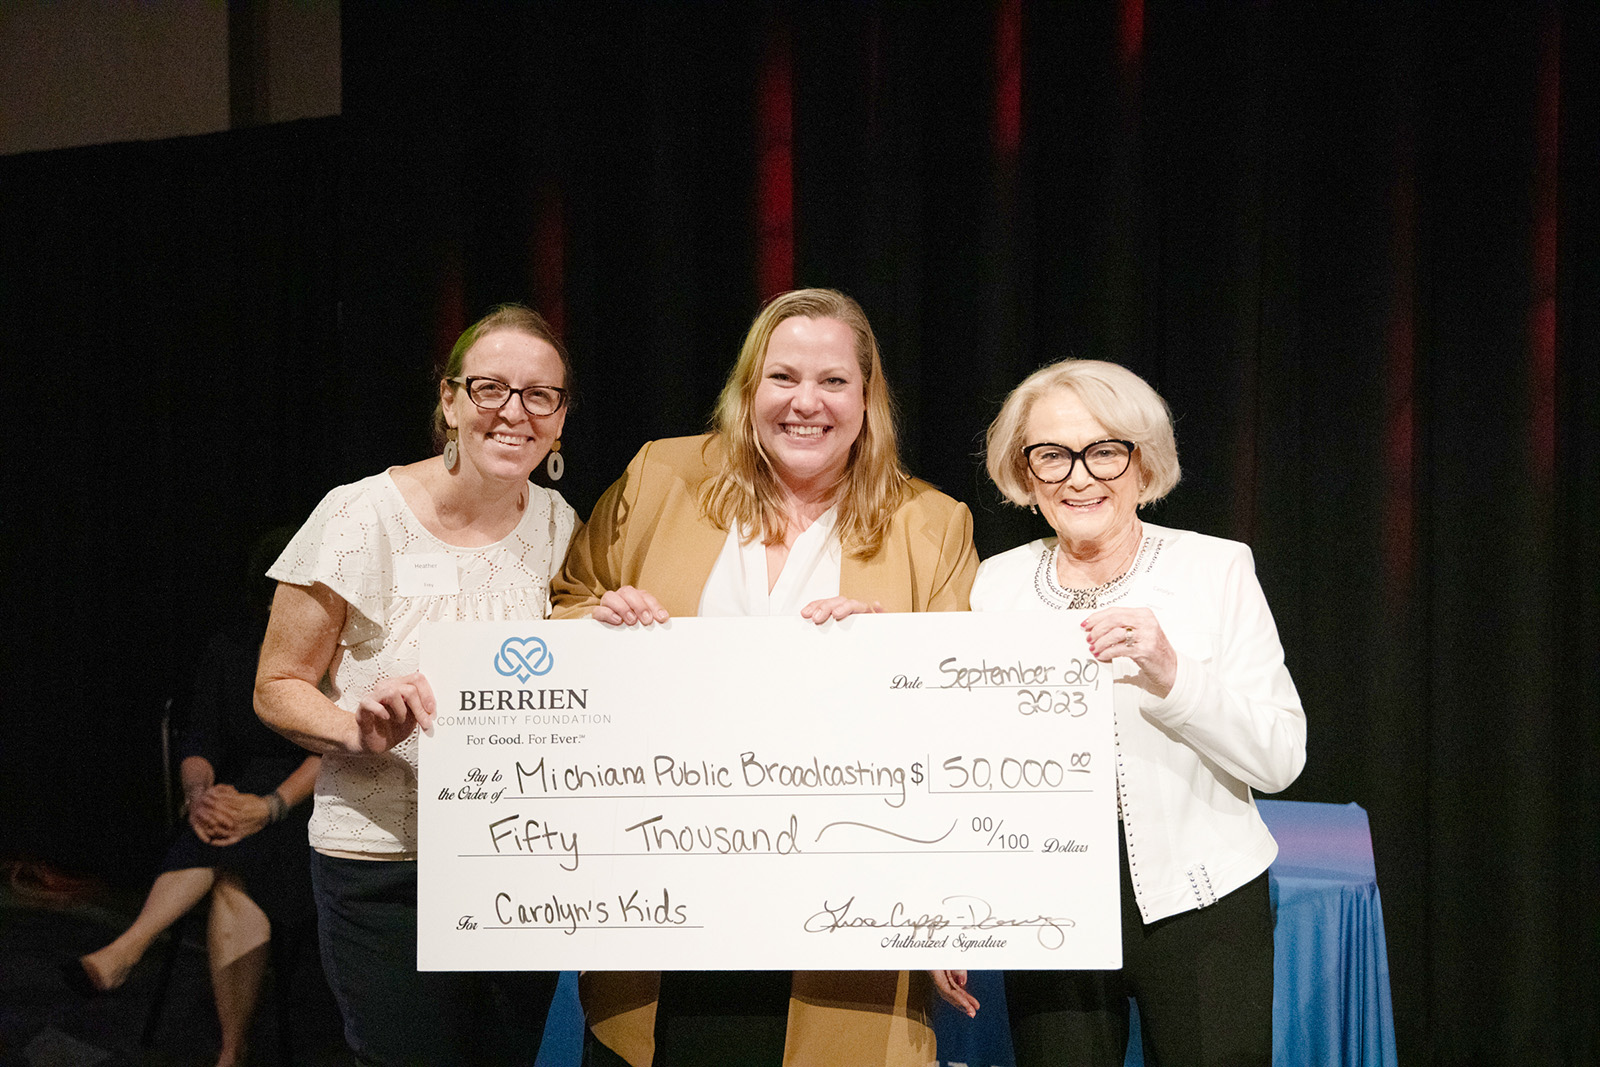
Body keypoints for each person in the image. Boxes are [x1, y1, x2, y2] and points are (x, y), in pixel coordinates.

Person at [552, 288, 980, 1067]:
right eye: (782, 377)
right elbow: (565, 605)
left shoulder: (932, 522)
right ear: (749, 389)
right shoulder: (661, 475)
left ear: (867, 397)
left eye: (833, 382)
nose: (805, 403)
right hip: (665, 896)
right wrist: (601, 625)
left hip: (841, 921)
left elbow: (962, 717)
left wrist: (897, 666)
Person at [954, 358, 1305, 1067]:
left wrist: (1173, 674)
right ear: (1025, 475)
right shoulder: (995, 585)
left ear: (1143, 465)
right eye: (1051, 454)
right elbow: (966, 764)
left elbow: (1279, 757)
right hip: (1050, 902)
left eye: (1105, 450)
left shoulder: (1216, 569)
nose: (1079, 475)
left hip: (1204, 901)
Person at [253, 305, 578, 1066]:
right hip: (385, 870)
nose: (513, 411)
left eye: (540, 395)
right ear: (450, 400)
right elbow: (275, 683)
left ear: (560, 419)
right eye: (490, 387)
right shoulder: (360, 515)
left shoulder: (562, 523)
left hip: (517, 865)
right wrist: (350, 728)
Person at [71, 529, 319, 1067]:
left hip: (315, 801)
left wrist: (270, 807)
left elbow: (336, 753)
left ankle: (128, 951)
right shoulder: (231, 649)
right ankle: (231, 1051)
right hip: (243, 788)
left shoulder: (334, 653)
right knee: (223, 840)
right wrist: (200, 793)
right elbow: (201, 737)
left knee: (237, 868)